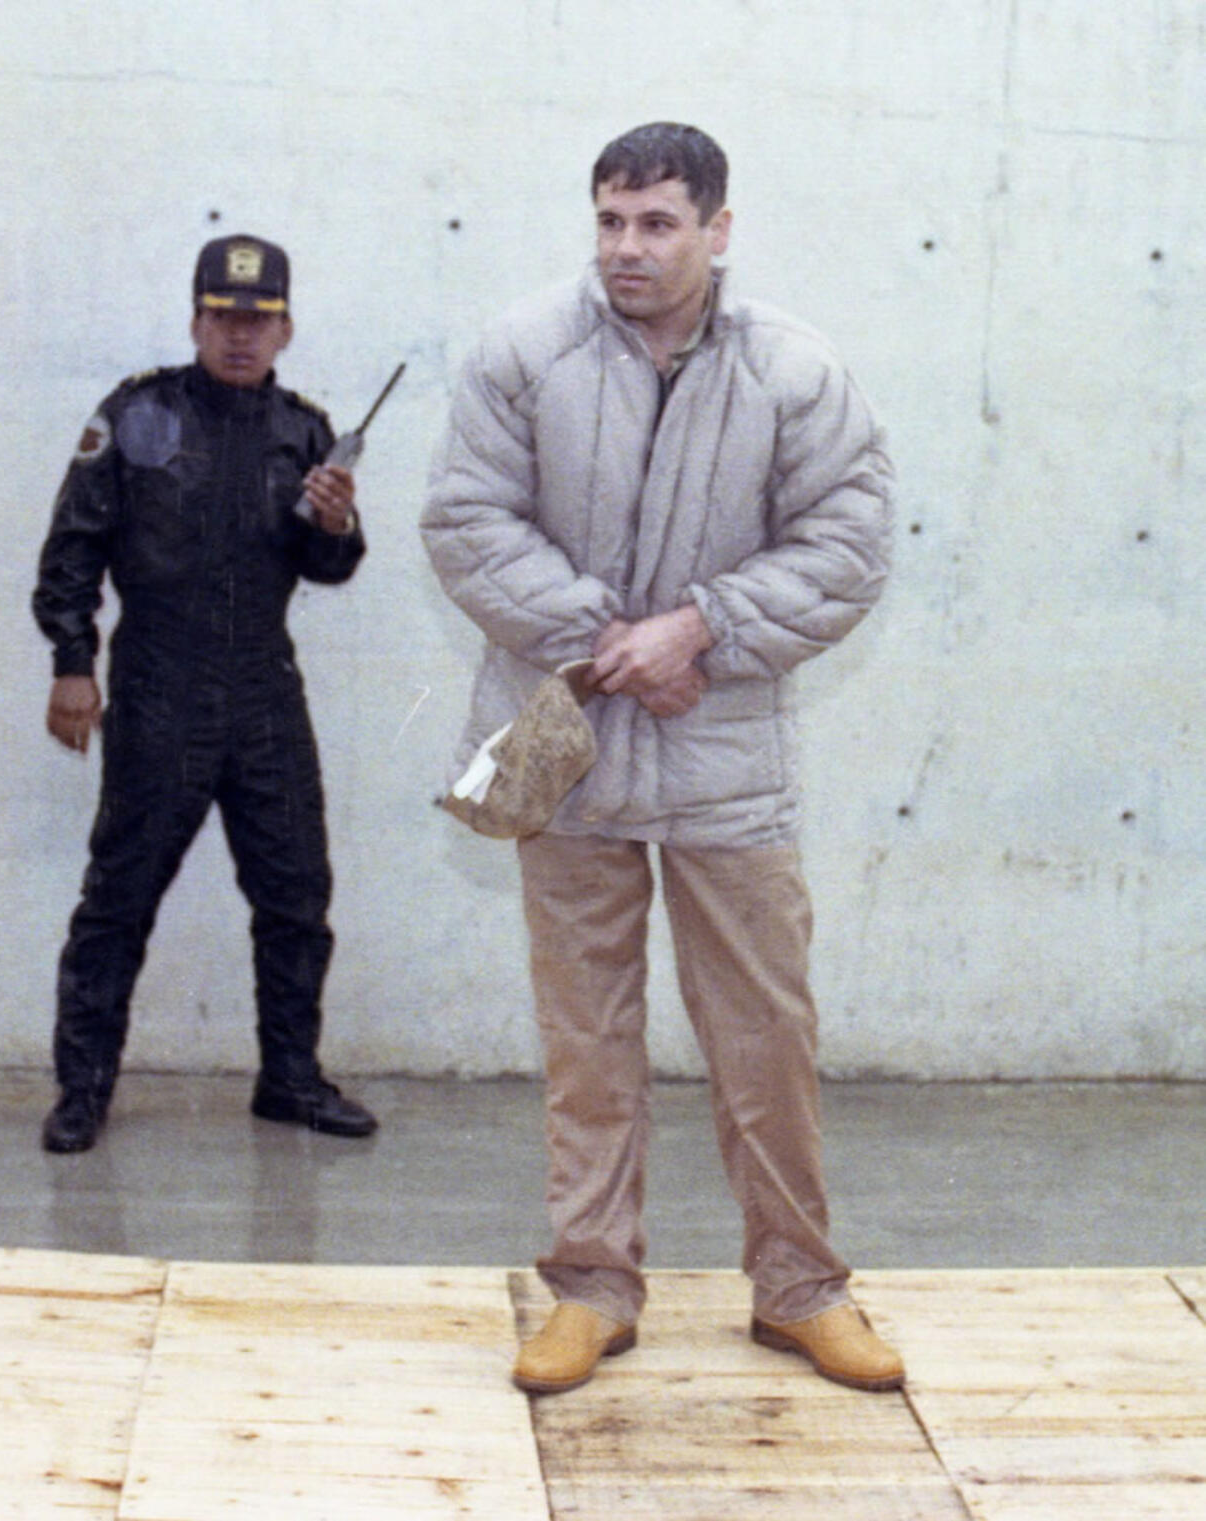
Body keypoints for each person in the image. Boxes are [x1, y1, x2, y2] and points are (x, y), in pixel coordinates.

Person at [421, 123, 902, 1395]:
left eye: (656, 224)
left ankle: (799, 1288)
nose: (626, 249)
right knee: (586, 1034)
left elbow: (847, 545)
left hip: (723, 759)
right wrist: (617, 643)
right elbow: (464, 521)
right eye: (609, 222)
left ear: (716, 232)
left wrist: (707, 628)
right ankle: (589, 1285)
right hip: (567, 747)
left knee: (763, 1035)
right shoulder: (523, 353)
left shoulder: (795, 373)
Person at [32, 233, 378, 1153]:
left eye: (257, 321)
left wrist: (338, 526)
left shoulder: (305, 430)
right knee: (120, 895)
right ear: (194, 320)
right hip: (158, 688)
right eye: (222, 318)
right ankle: (83, 1088)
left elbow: (328, 564)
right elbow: (73, 549)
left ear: (285, 330)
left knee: (298, 893)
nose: (238, 336)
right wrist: (74, 663)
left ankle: (290, 1080)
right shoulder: (136, 415)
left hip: (264, 690)